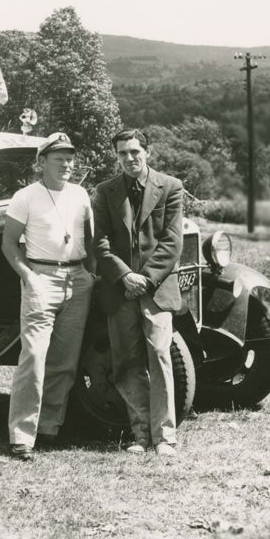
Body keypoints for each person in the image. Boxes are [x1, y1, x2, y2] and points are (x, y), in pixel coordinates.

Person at [0, 132, 94, 462]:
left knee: (64, 361)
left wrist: (89, 275)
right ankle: (21, 436)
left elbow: (91, 240)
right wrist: (29, 278)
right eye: (59, 159)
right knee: (34, 357)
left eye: (70, 159)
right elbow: (9, 245)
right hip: (40, 278)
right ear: (42, 164)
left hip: (77, 280)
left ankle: (50, 427)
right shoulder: (25, 197)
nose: (67, 164)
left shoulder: (81, 195)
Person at [93, 129, 185, 457]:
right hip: (120, 291)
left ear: (148, 152)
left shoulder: (171, 187)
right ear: (115, 156)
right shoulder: (105, 192)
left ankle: (165, 438)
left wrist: (143, 279)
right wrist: (124, 277)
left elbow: (173, 242)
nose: (130, 158)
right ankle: (140, 435)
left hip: (156, 289)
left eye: (135, 151)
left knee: (160, 357)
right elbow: (100, 243)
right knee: (126, 362)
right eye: (122, 153)